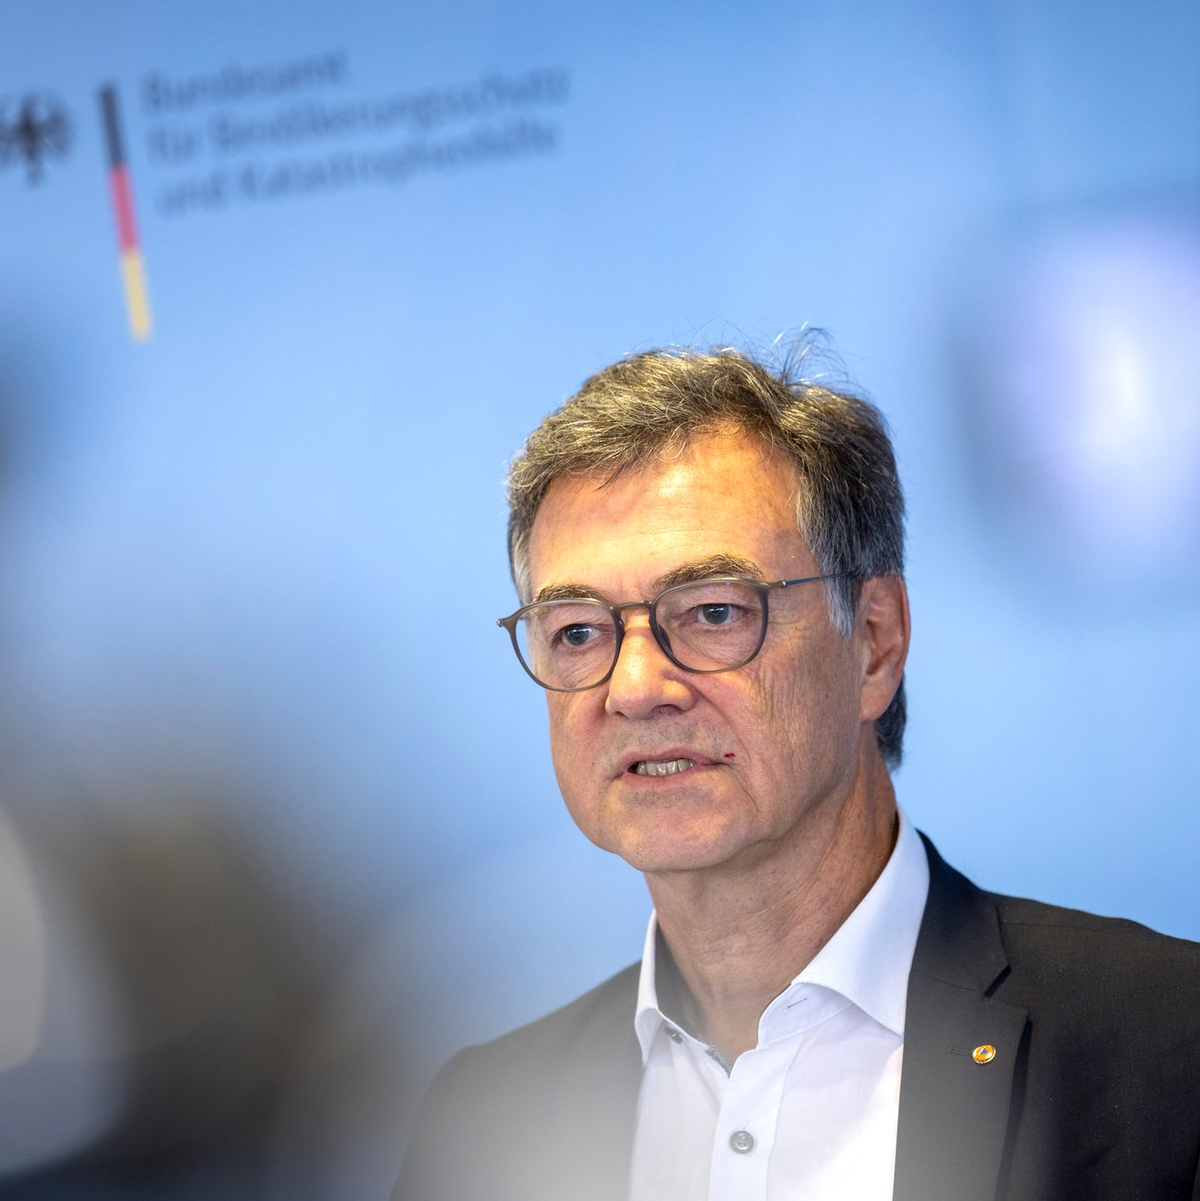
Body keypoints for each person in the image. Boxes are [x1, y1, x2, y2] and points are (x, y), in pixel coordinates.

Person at [395, 345, 1200, 1201]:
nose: (633, 688)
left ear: (876, 642)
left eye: (712, 612)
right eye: (579, 631)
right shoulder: (484, 1116)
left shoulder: (1166, 1042)